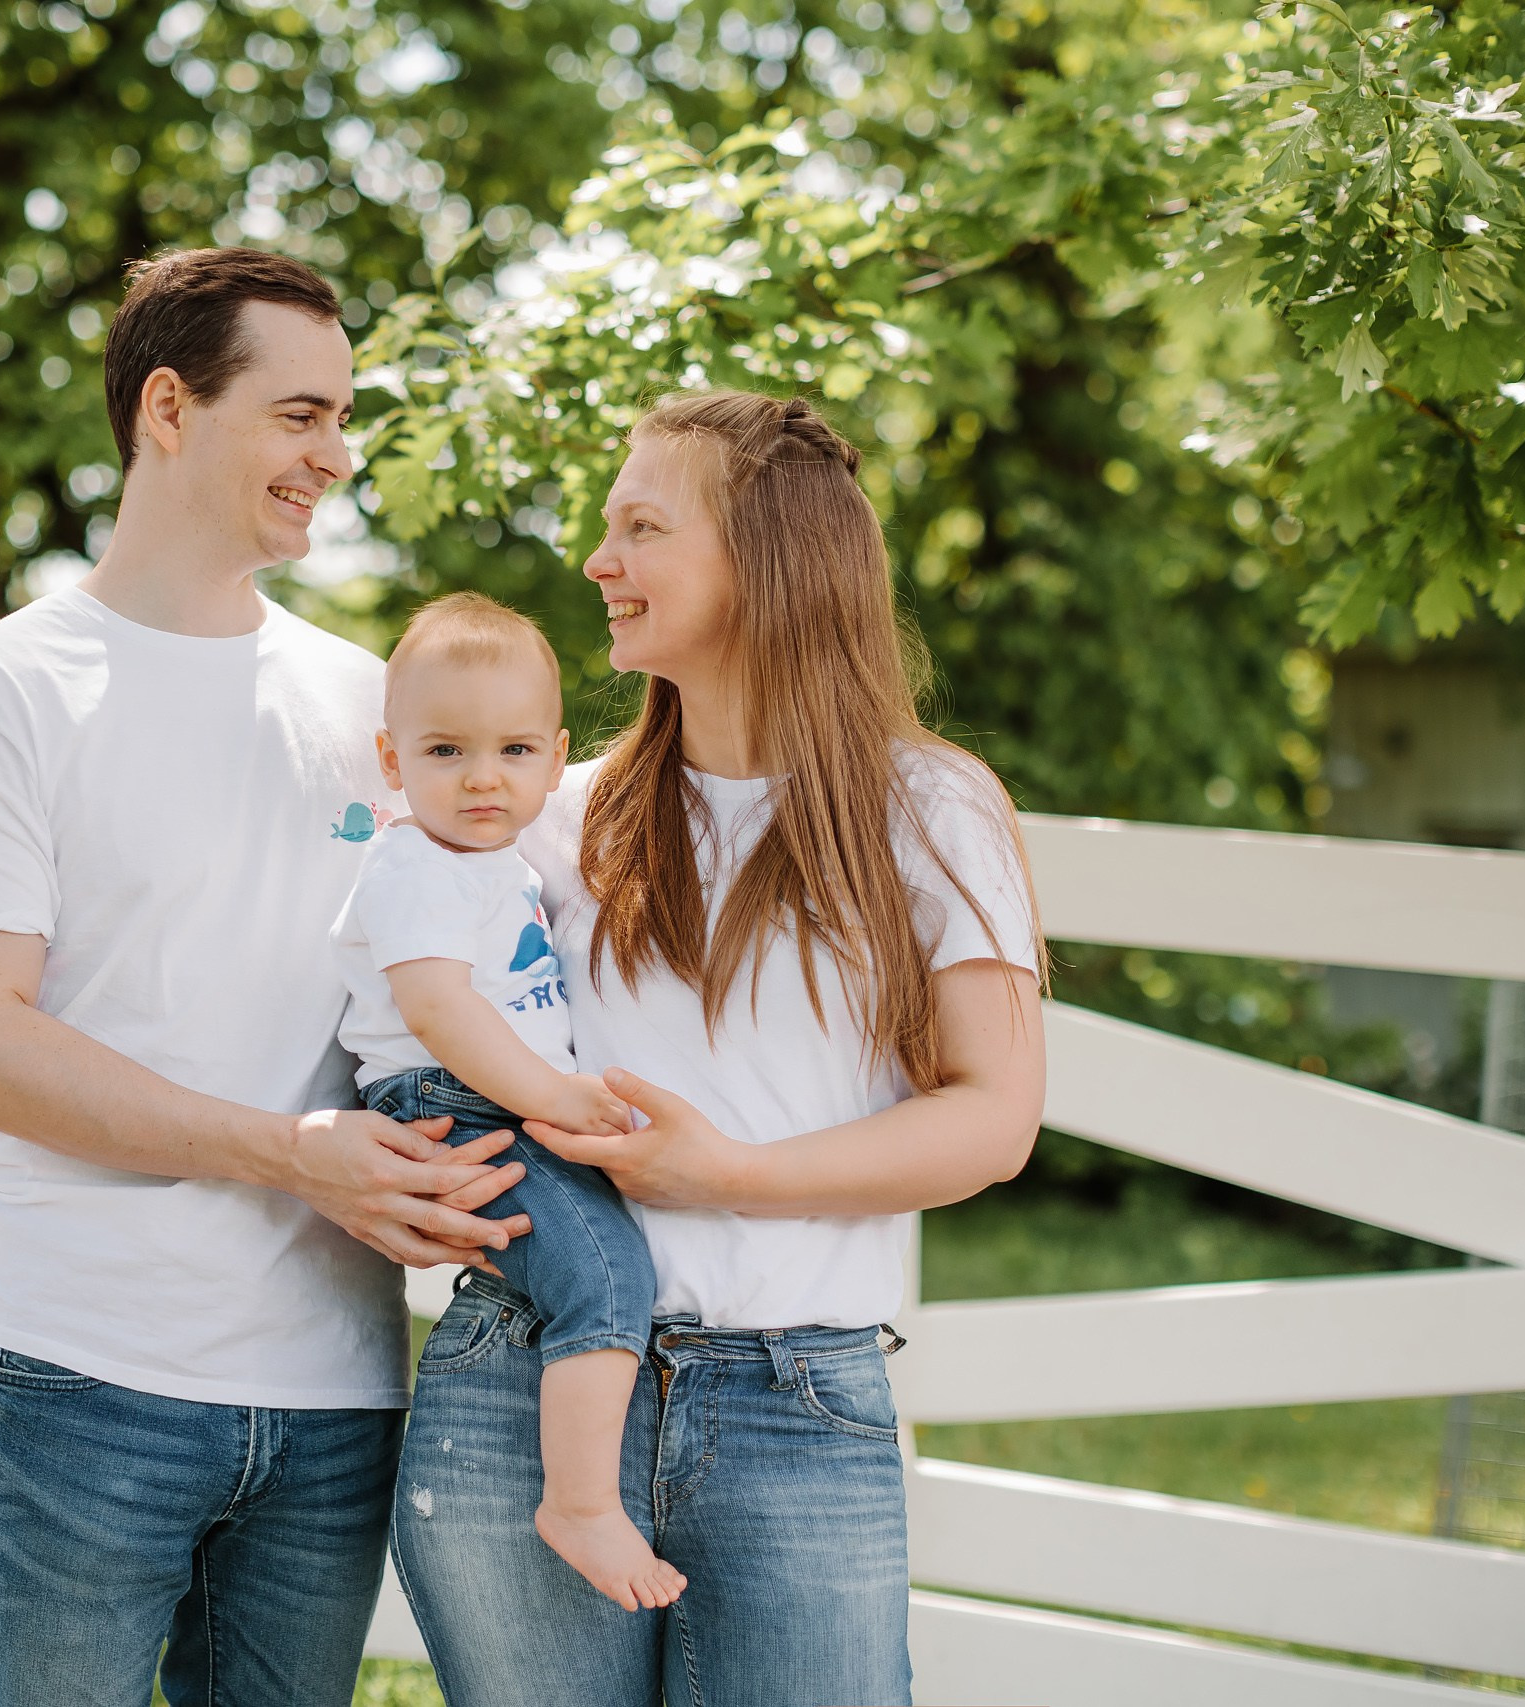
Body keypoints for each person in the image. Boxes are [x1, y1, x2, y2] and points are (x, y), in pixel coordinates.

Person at [0, 247, 528, 1707]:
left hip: (338, 1392)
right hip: (83, 1382)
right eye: (301, 414)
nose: (336, 454)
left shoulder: (373, 701)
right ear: (169, 407)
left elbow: (506, 892)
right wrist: (291, 1157)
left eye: (342, 416)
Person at [389, 390, 1050, 1707]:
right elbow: (387, 982)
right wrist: (384, 1169)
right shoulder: (549, 817)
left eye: (641, 526)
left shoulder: (930, 806)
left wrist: (726, 1173)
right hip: (523, 1380)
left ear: (765, 560)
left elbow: (993, 1117)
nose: (598, 560)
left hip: (793, 1402)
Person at [332, 592, 684, 1613]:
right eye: (445, 751)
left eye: (516, 750)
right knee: (607, 1274)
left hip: (494, 1097)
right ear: (393, 762)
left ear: (555, 754)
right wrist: (558, 1097)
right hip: (454, 1099)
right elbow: (438, 1008)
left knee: (597, 1263)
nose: (484, 776)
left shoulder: (497, 859)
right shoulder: (410, 862)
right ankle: (578, 1503)